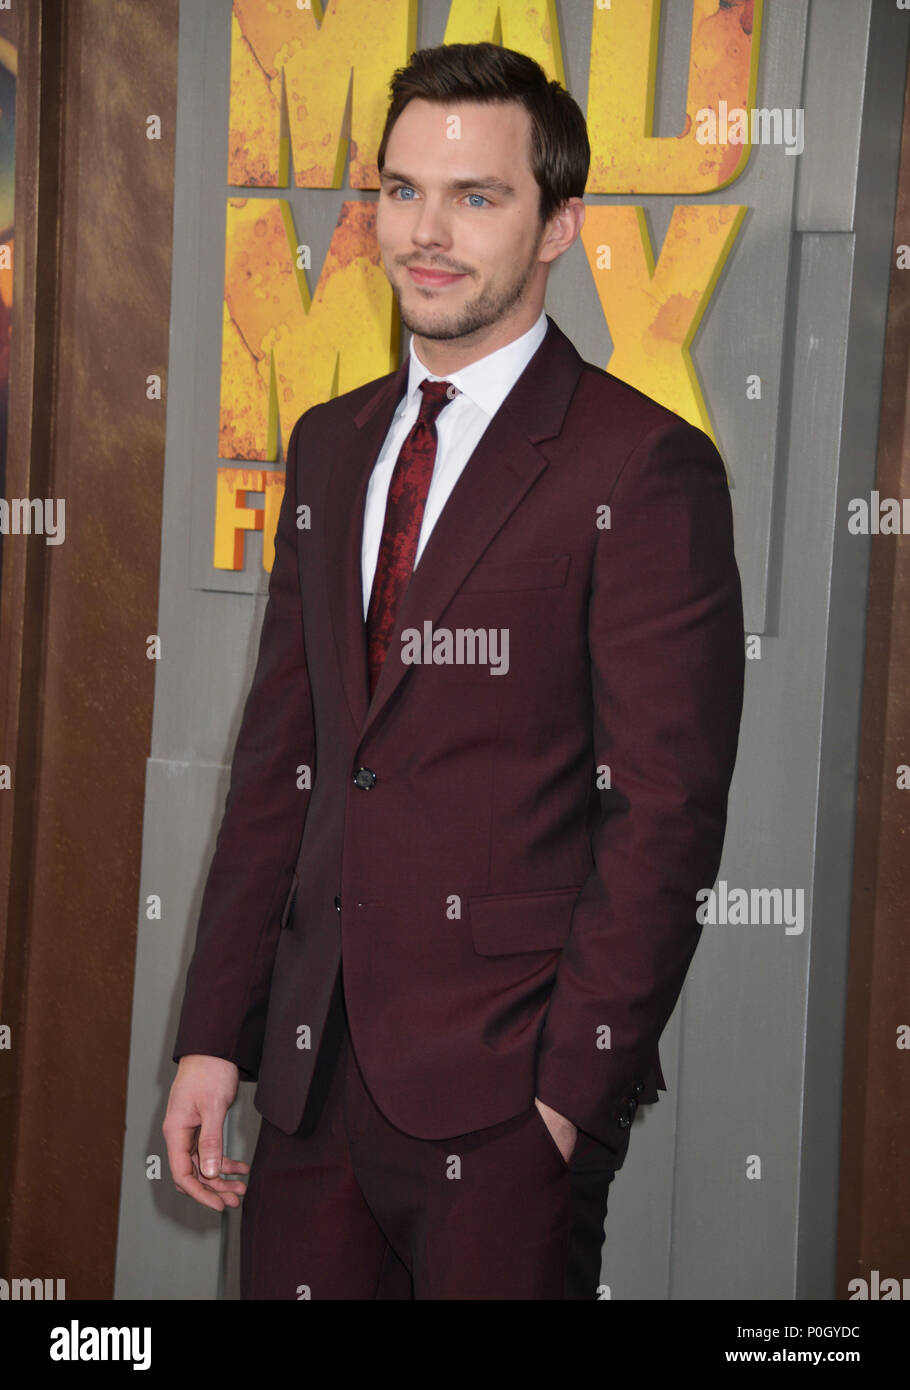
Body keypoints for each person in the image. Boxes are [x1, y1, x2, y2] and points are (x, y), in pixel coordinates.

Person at [163, 41, 745, 1300]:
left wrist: (564, 1101)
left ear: (557, 227)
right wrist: (217, 1038)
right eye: (402, 190)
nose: (426, 232)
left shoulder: (641, 467)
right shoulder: (329, 446)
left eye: (476, 197)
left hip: (505, 1098)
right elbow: (285, 765)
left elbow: (663, 813)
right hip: (312, 1082)